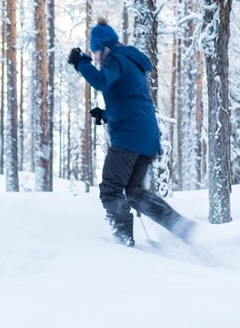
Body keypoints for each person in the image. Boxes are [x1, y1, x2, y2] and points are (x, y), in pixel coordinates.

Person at [68, 18, 196, 247]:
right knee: (134, 192)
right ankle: (179, 225)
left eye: (96, 52)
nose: (96, 57)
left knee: (110, 189)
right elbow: (131, 101)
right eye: (93, 54)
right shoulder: (129, 61)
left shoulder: (116, 59)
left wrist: (81, 63)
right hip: (146, 135)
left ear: (105, 48)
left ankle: (123, 242)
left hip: (129, 137)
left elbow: (101, 81)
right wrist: (106, 115)